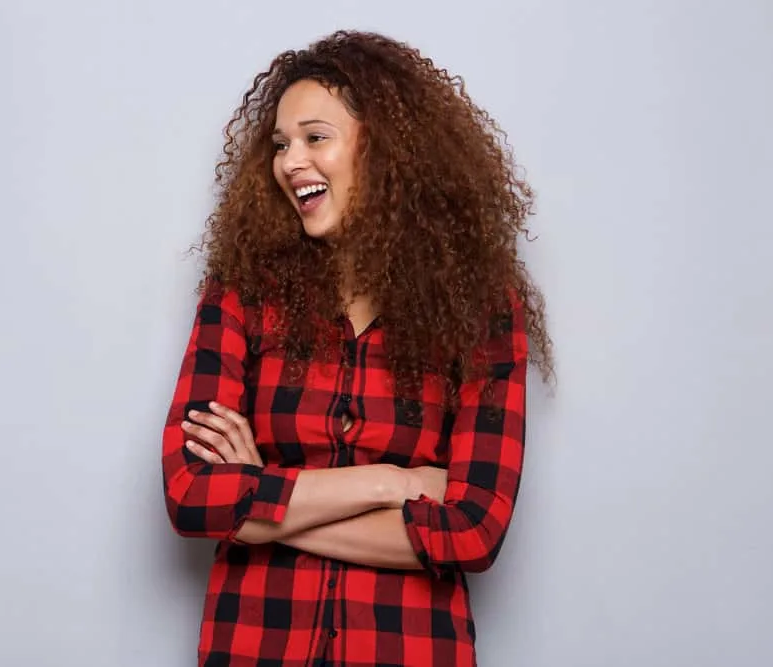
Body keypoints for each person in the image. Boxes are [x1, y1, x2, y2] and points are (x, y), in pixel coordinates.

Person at [161, 29, 554, 667]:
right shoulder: (242, 293)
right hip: (255, 648)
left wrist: (262, 497)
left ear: (388, 151)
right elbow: (191, 494)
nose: (291, 161)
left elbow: (475, 530)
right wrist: (392, 484)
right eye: (281, 144)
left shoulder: (479, 308)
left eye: (316, 138)